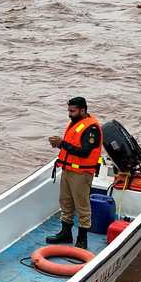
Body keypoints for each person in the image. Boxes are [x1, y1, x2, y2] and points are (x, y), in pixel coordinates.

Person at [46, 97, 103, 250]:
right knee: (65, 202)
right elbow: (73, 148)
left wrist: (62, 143)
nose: (69, 114)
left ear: (82, 110)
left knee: (82, 206)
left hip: (82, 173)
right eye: (69, 111)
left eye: (73, 111)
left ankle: (82, 240)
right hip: (68, 170)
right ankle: (66, 234)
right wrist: (59, 146)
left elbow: (84, 152)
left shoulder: (92, 129)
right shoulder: (75, 124)